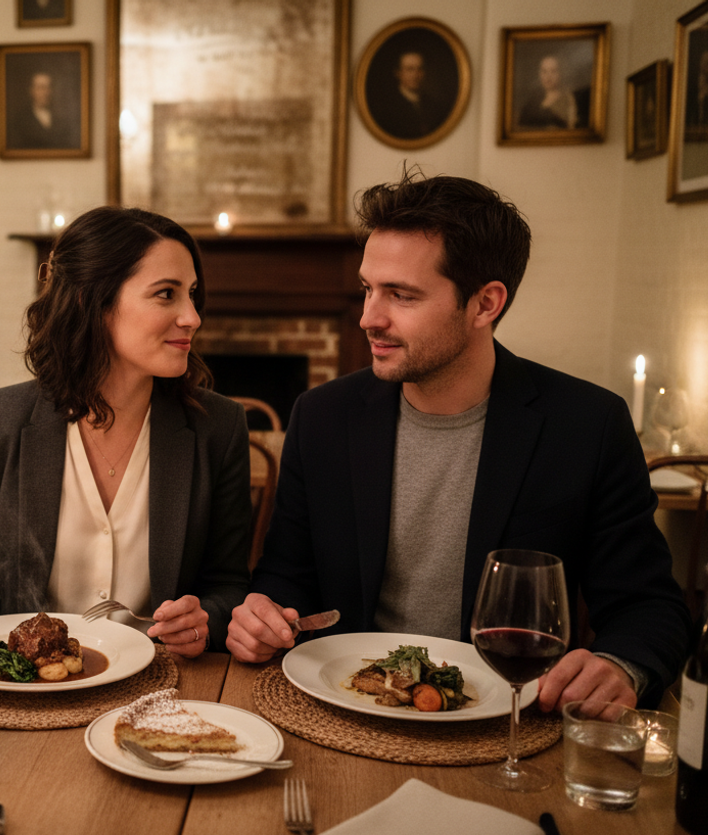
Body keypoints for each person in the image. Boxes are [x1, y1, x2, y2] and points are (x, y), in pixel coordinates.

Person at [227, 171, 691, 712]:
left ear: (484, 304)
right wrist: (262, 615)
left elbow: (649, 606)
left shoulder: (587, 426)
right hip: (348, 707)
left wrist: (621, 666)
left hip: (509, 723)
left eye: (401, 295)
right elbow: (288, 574)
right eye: (368, 289)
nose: (368, 318)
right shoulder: (323, 416)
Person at [0, 207, 253, 656]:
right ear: (93, 303)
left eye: (192, 294)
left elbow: (229, 584)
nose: (192, 316)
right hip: (32, 690)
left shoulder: (219, 428)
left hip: (161, 685)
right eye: (166, 294)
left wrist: (204, 621)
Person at [371, 51, 448, 140]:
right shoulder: (386, 106)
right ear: (398, 73)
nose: (415, 75)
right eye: (410, 69)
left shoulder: (435, 105)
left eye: (420, 69)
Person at [5, 71, 77, 150]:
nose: (46, 92)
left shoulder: (61, 118)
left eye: (49, 87)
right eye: (42, 88)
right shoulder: (19, 120)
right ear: (32, 91)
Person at [518, 55, 578, 129]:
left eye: (553, 71)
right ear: (539, 74)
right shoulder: (532, 102)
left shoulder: (569, 100)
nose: (548, 76)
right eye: (544, 71)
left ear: (561, 73)